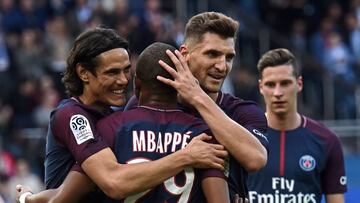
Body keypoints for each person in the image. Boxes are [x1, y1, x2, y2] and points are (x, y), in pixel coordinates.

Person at [17, 28, 227, 202]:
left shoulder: (115, 120)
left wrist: (30, 198)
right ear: (83, 73)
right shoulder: (73, 116)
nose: (123, 80)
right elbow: (113, 182)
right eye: (112, 72)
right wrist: (186, 156)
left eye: (126, 70)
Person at [128, 11, 269, 202]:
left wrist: (197, 97)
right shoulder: (146, 102)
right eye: (212, 54)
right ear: (185, 54)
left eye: (229, 57)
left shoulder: (244, 112)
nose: (222, 66)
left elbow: (256, 158)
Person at [247, 48, 347, 203]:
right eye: (270, 84)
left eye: (285, 83)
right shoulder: (244, 137)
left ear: (299, 84)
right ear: (261, 87)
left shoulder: (327, 140)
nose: (278, 92)